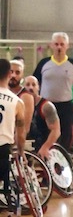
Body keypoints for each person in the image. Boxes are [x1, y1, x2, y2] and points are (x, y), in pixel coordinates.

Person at [34, 32, 73, 150]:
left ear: (67, 46)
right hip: (46, 105)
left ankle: (62, 160)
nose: (59, 47)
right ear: (51, 45)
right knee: (44, 133)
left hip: (65, 106)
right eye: (56, 44)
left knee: (65, 135)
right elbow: (35, 83)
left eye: (62, 44)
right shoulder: (44, 63)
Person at [0, 58, 23, 200]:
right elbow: (20, 134)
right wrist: (21, 152)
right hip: (2, 151)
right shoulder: (17, 102)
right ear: (9, 74)